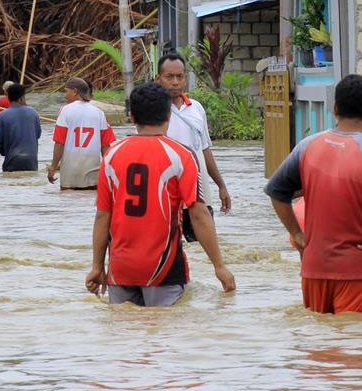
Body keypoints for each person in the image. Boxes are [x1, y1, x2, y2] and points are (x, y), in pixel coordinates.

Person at [85, 82, 236, 306]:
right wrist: (219, 266)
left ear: (132, 116)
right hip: (164, 269)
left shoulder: (112, 155)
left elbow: (102, 216)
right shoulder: (181, 155)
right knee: (165, 335)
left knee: (123, 334)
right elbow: (198, 213)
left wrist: (97, 267)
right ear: (168, 114)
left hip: (120, 267)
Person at [265, 74, 362, 315]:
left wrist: (297, 234)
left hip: (313, 266)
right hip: (356, 268)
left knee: (318, 343)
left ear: (334, 108)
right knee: (350, 342)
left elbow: (276, 191)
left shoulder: (307, 147)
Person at [155, 54, 232, 241]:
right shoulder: (153, 110)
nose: (175, 82)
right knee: (169, 247)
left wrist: (221, 185)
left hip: (199, 193)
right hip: (166, 195)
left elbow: (204, 149)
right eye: (169, 77)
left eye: (180, 77)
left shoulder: (196, 108)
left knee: (201, 246)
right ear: (158, 79)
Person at [47, 77, 116, 190]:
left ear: (75, 92)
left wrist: (53, 167)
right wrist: (110, 171)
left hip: (70, 173)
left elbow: (59, 142)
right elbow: (105, 146)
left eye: (66, 91)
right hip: (92, 171)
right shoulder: (99, 113)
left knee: (68, 202)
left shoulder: (65, 110)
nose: (65, 95)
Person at [0, 83, 41, 172]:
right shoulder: (33, 113)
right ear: (21, 98)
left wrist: (6, 152)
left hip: (12, 160)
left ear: (8, 97)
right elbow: (37, 134)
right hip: (31, 160)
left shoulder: (1, 116)